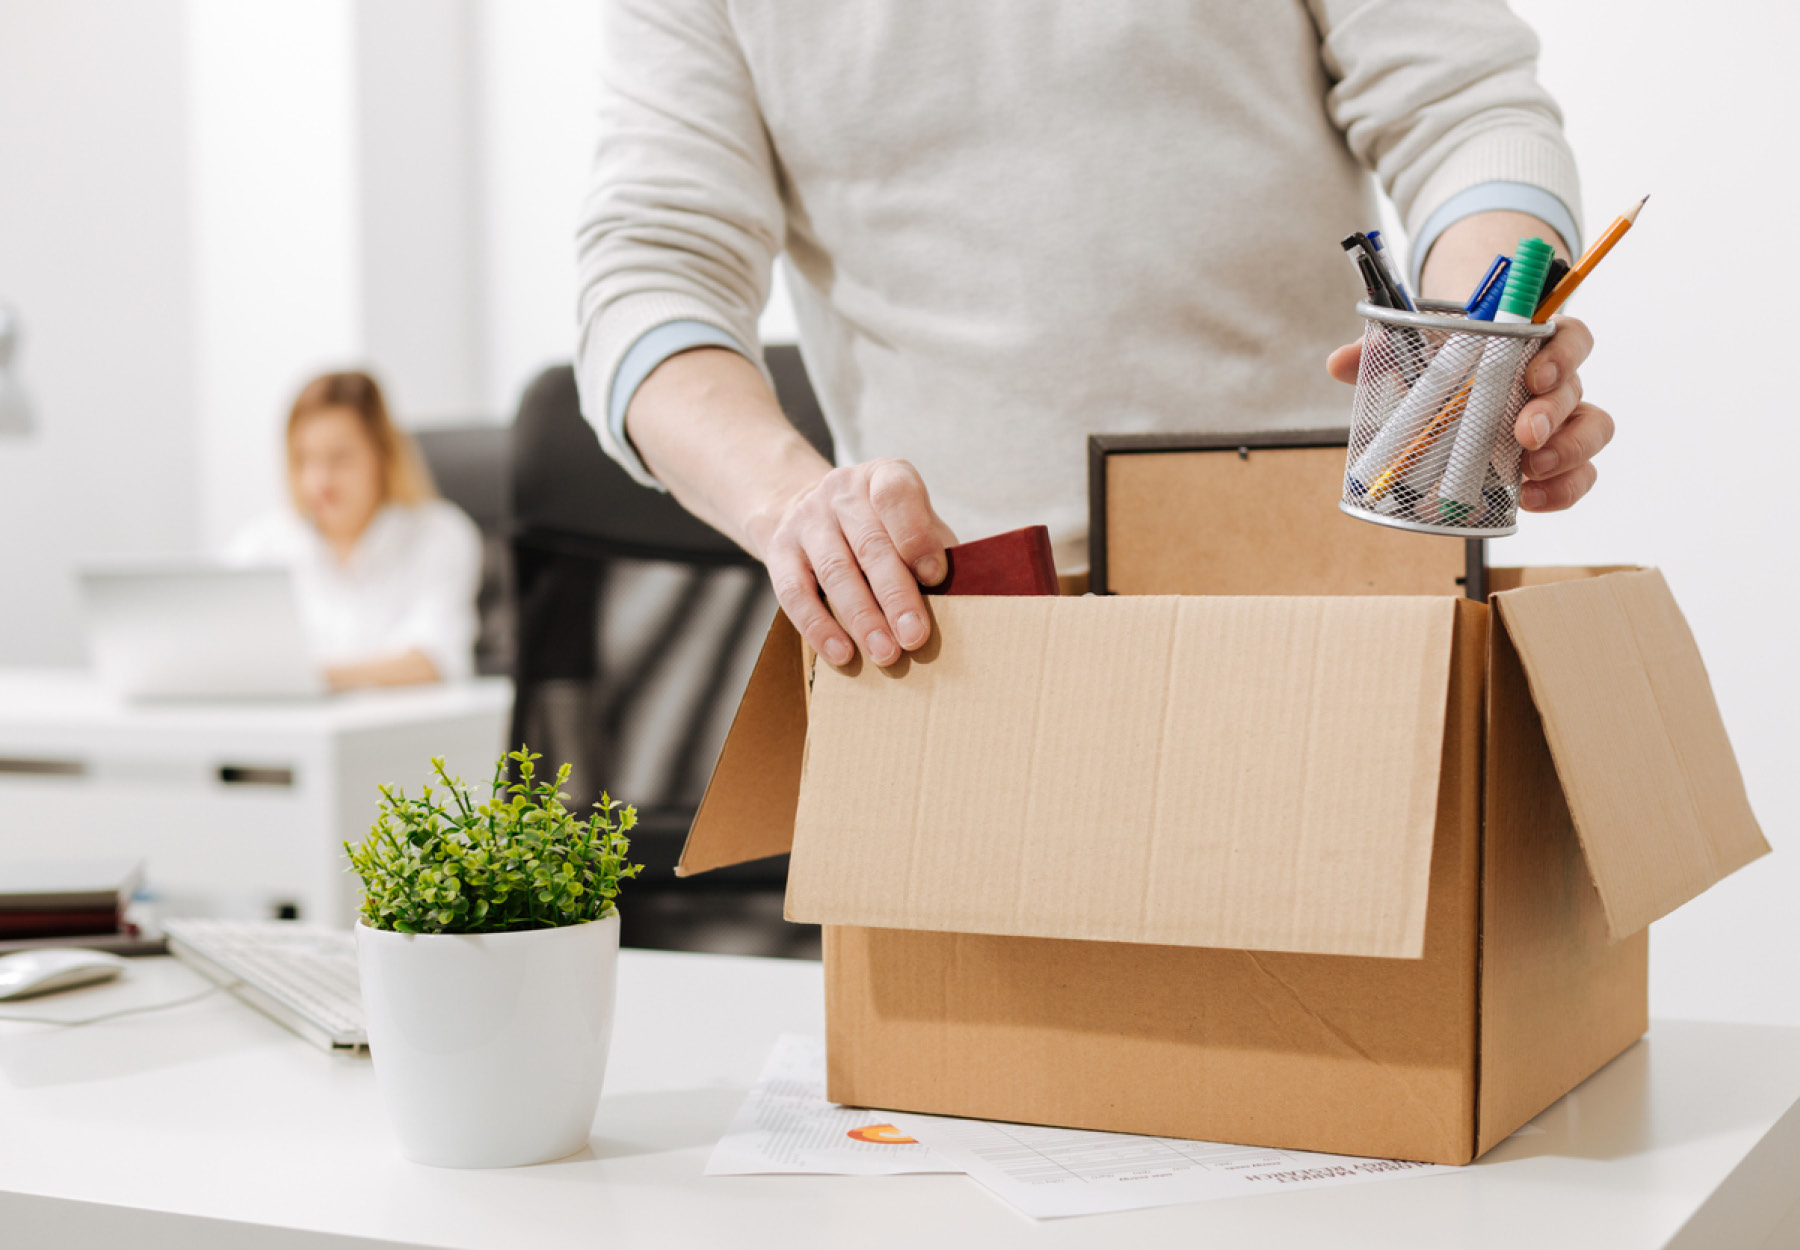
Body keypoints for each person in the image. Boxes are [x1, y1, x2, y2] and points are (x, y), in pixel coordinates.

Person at [576, 3, 1613, 670]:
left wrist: (1475, 352)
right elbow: (654, 269)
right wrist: (792, 506)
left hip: (1327, 604)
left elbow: (1466, 110)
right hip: (963, 634)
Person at [227, 370, 482, 691]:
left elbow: (434, 660)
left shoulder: (440, 536)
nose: (320, 480)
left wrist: (305, 680)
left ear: (382, 455)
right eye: (305, 459)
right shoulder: (261, 544)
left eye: (340, 458)